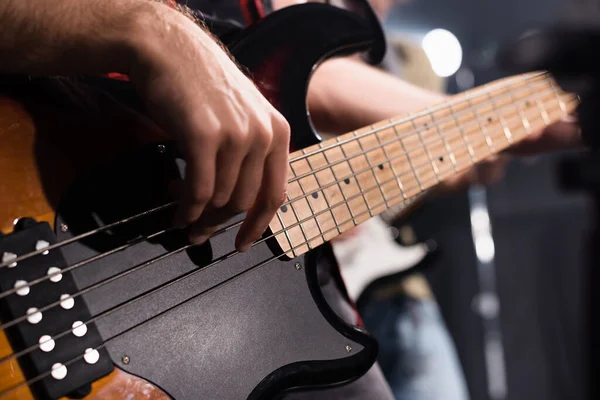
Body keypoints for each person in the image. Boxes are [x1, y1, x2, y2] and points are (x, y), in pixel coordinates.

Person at [0, 0, 583, 399]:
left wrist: (471, 130)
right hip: (60, 213)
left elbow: (295, 75)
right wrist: (149, 30)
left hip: (268, 294)